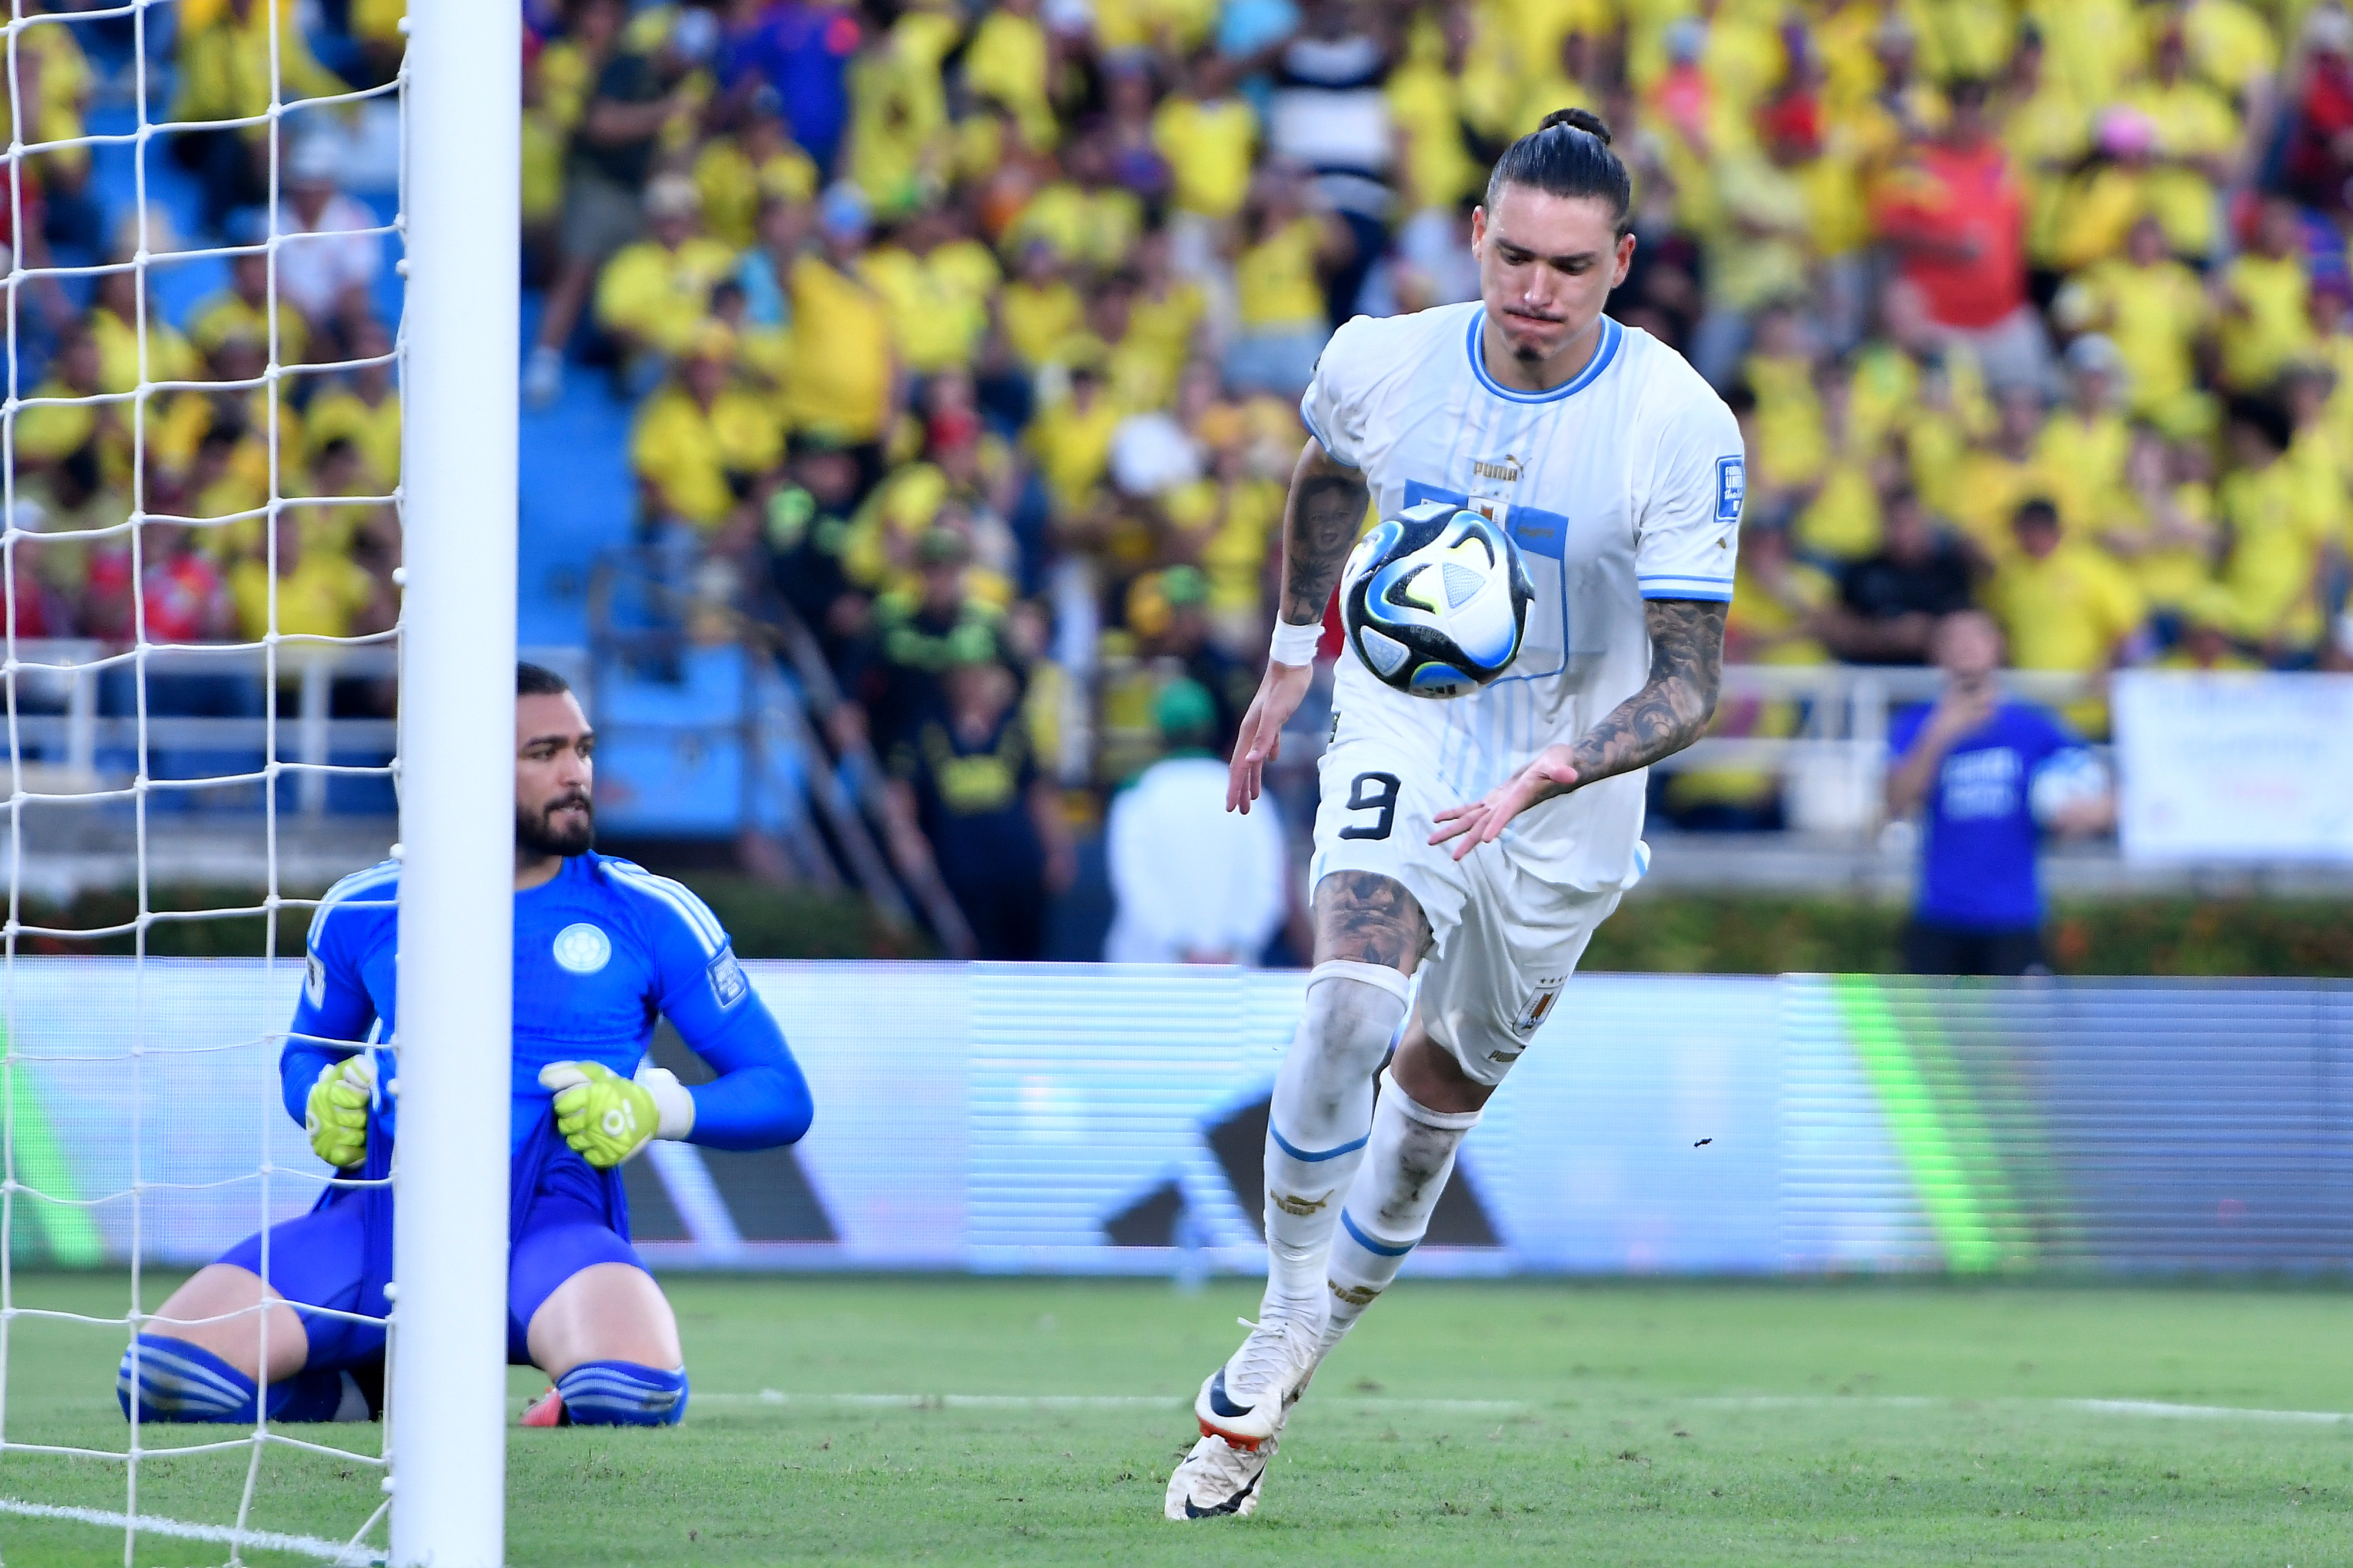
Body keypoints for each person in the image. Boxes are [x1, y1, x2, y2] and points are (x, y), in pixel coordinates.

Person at [1164, 109, 1741, 1519]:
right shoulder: (1381, 358)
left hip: (1572, 784)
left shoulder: (1675, 424)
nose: (1534, 292)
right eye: (1512, 257)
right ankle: (1280, 1308)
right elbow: (1325, 476)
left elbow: (1687, 681)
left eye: (1569, 266)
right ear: (1475, 238)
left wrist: (1553, 773)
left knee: (1434, 1097)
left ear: (1621, 261)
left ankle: (1312, 1330)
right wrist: (1293, 655)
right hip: (1408, 720)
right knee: (1346, 1007)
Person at [118, 664, 814, 1430]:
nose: (576, 771)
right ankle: (365, 1394)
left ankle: (561, 1399)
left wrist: (654, 1105)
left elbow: (781, 1092)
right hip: (380, 1226)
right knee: (165, 1379)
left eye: (582, 748)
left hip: (549, 1227)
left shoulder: (651, 912)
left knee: (628, 1394)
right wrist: (319, 1098)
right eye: (544, 751)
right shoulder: (366, 906)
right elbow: (305, 1057)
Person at [1884, 610, 2111, 976]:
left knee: (2020, 1034)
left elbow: (2097, 781)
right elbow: (1896, 801)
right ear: (1936, 654)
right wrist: (1941, 734)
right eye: (1952, 640)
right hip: (1940, 912)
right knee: (1928, 1033)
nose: (1965, 648)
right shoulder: (1915, 723)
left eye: (1976, 638)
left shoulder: (2032, 723)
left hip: (2014, 916)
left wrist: (2095, 811)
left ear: (1998, 648)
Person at [1105, 679, 1288, 964]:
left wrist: (1181, 947)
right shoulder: (1249, 792)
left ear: (1159, 734)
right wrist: (1235, 945)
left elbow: (1135, 883)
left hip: (1149, 975)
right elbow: (1267, 885)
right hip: (1232, 974)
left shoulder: (1138, 796)